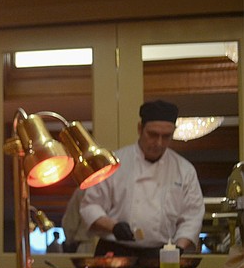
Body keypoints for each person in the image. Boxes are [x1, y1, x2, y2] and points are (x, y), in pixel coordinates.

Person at [80, 99, 204, 259]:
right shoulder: (114, 163)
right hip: (115, 253)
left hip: (162, 254)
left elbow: (192, 216)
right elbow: (90, 205)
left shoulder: (184, 170)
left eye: (166, 136)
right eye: (153, 135)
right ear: (140, 129)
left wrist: (179, 248)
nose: (159, 143)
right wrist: (114, 226)